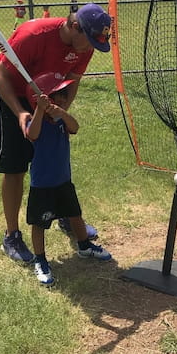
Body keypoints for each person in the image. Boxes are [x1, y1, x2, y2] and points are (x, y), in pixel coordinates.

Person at [0, 2, 112, 263]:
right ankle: (12, 235)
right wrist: (21, 113)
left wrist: (60, 110)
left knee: (55, 161)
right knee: (15, 166)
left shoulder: (85, 45)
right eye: (89, 40)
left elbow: (73, 80)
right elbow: (0, 76)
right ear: (75, 26)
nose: (90, 48)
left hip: (51, 99)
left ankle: (66, 216)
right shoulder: (33, 35)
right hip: (12, 94)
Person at [25, 73, 112, 285]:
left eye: (64, 95)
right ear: (42, 99)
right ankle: (40, 260)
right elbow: (33, 134)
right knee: (39, 223)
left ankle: (83, 246)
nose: (64, 99)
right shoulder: (32, 119)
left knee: (75, 214)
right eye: (58, 96)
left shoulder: (61, 120)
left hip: (63, 180)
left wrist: (61, 112)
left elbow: (75, 127)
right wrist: (39, 109)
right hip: (42, 185)